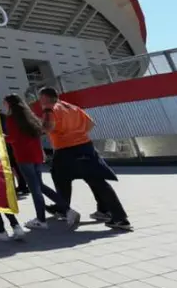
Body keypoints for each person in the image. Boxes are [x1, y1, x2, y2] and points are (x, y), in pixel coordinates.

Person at [39, 87, 132, 230]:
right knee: (95, 178)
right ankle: (106, 211)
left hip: (65, 149)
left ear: (45, 98)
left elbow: (47, 128)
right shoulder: (72, 107)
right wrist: (77, 134)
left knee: (61, 178)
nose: (40, 102)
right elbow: (91, 124)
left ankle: (65, 209)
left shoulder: (50, 109)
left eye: (40, 99)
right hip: (85, 146)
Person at [3, 94, 81, 230]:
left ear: (9, 104)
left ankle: (41, 220)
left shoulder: (11, 119)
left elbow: (14, 139)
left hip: (23, 156)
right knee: (40, 186)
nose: (4, 106)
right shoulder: (31, 117)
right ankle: (68, 210)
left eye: (5, 103)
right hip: (36, 155)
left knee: (35, 189)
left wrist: (2, 137)